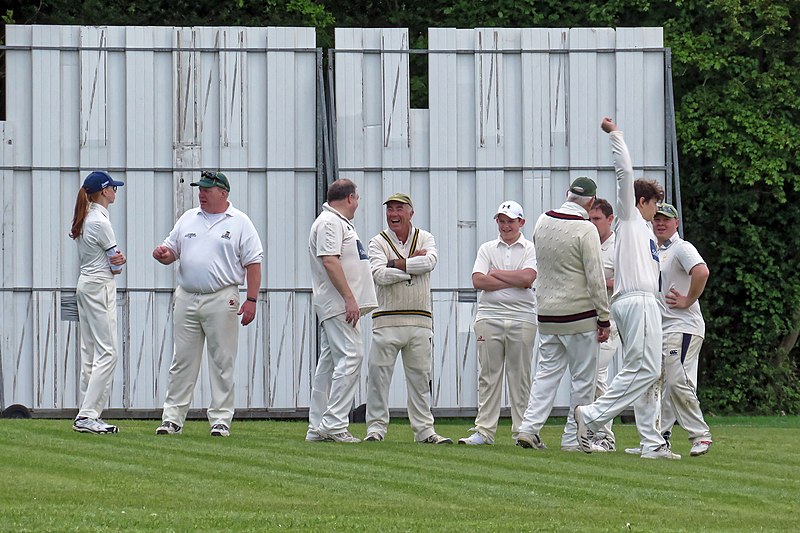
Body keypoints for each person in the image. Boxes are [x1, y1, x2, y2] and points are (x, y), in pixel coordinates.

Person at [575, 117, 679, 459]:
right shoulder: (631, 218)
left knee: (647, 372)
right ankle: (591, 415)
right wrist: (616, 135)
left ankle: (652, 442)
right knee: (647, 369)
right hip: (637, 302)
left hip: (642, 303)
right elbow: (625, 174)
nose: (655, 210)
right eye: (654, 203)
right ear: (642, 201)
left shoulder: (645, 231)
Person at [152, 171, 263, 438]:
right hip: (187, 295)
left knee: (222, 359)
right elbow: (172, 251)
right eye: (200, 189)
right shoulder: (188, 218)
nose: (201, 194)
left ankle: (221, 419)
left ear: (223, 193)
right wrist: (164, 255)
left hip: (222, 296)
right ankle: (172, 418)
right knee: (182, 360)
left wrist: (251, 300)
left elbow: (253, 263)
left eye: (207, 190)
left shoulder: (240, 223)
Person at [516, 179, 610, 452]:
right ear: (591, 202)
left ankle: (529, 428)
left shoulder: (542, 221)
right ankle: (572, 439)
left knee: (546, 374)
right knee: (582, 380)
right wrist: (603, 318)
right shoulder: (586, 229)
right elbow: (595, 278)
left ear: (566, 195)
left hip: (547, 314)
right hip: (579, 314)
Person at [364, 193, 452, 444]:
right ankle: (376, 429)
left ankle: (425, 431)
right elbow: (379, 275)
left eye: (399, 209)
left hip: (420, 320)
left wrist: (396, 264)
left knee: (420, 379)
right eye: (390, 209)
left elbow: (431, 262)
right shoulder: (377, 242)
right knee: (378, 379)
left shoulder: (425, 237)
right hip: (386, 320)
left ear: (410, 212)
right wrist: (411, 265)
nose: (393, 214)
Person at [458, 201, 537, 445]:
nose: (505, 226)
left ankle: (522, 431)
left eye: (510, 221)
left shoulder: (530, 248)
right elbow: (478, 281)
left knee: (520, 376)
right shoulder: (487, 248)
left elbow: (528, 278)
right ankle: (484, 431)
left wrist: (496, 274)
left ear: (521, 222)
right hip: (489, 317)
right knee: (489, 376)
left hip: (522, 317)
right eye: (501, 221)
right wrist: (513, 280)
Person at [306, 179, 378, 443]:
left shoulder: (338, 223)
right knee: (352, 355)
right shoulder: (330, 222)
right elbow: (329, 260)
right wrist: (349, 298)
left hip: (338, 304)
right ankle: (335, 423)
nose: (357, 203)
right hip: (338, 304)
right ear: (350, 198)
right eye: (357, 198)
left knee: (328, 363)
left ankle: (317, 426)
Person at [651, 202, 713, 456]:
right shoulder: (655, 249)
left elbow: (701, 271)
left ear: (676, 223)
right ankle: (660, 440)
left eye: (666, 219)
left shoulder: (682, 247)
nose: (661, 223)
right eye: (656, 219)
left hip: (684, 325)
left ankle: (701, 435)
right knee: (665, 385)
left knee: (677, 382)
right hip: (665, 327)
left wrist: (688, 299)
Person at [69, 171, 127, 434]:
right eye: (113, 188)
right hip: (99, 287)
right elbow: (115, 266)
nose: (115, 191)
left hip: (86, 284)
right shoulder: (100, 222)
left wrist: (116, 262)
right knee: (108, 352)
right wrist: (120, 263)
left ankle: (86, 411)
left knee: (91, 352)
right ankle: (88, 415)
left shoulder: (86, 217)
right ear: (104, 191)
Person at [588, 198, 618, 451]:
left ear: (610, 219)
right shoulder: (587, 242)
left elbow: (627, 280)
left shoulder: (620, 246)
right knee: (591, 376)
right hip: (586, 318)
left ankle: (605, 436)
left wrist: (597, 282)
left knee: (596, 374)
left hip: (613, 319)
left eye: (597, 219)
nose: (592, 224)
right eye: (590, 219)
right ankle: (593, 433)